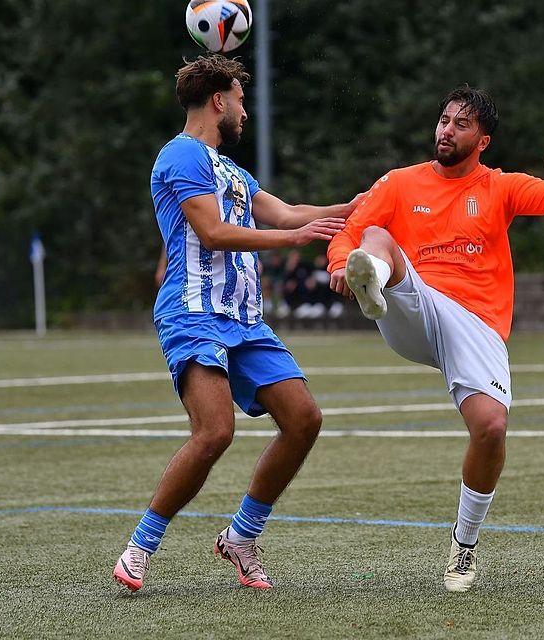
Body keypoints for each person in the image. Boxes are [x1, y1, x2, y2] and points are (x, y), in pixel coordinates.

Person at [113, 54, 360, 593]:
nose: (246, 112)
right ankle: (141, 545)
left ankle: (242, 536)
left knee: (304, 419)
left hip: (244, 319)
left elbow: (292, 212)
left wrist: (360, 207)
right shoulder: (180, 155)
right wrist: (293, 240)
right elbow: (213, 233)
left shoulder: (232, 170)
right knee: (215, 431)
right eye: (241, 100)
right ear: (219, 101)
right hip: (194, 313)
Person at [326, 86, 544, 592]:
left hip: (476, 321)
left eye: (460, 124)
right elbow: (349, 228)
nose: (446, 130)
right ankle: (370, 280)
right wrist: (341, 264)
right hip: (414, 304)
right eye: (444, 120)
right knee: (375, 238)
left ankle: (463, 546)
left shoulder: (501, 186)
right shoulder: (400, 183)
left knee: (490, 429)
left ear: (483, 140)